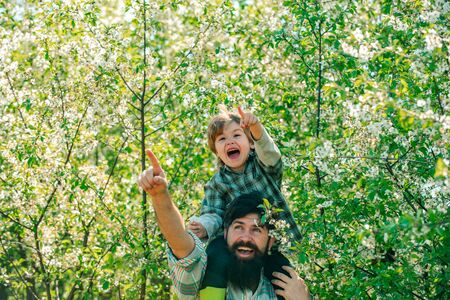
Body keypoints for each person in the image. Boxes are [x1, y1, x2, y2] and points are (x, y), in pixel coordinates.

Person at [138, 150, 310, 299]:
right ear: (225, 233)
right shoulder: (206, 275)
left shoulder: (286, 287)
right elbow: (180, 243)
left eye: (256, 230)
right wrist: (160, 196)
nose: (245, 237)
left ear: (271, 240)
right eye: (238, 227)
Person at [187, 106, 302, 299]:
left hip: (273, 243)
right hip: (239, 246)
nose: (230, 141)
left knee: (284, 277)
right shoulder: (217, 183)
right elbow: (213, 214)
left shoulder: (262, 167)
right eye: (222, 139)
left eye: (236, 135)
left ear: (250, 142)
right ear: (216, 151)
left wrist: (256, 128)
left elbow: (270, 153)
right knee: (215, 252)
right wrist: (204, 226)